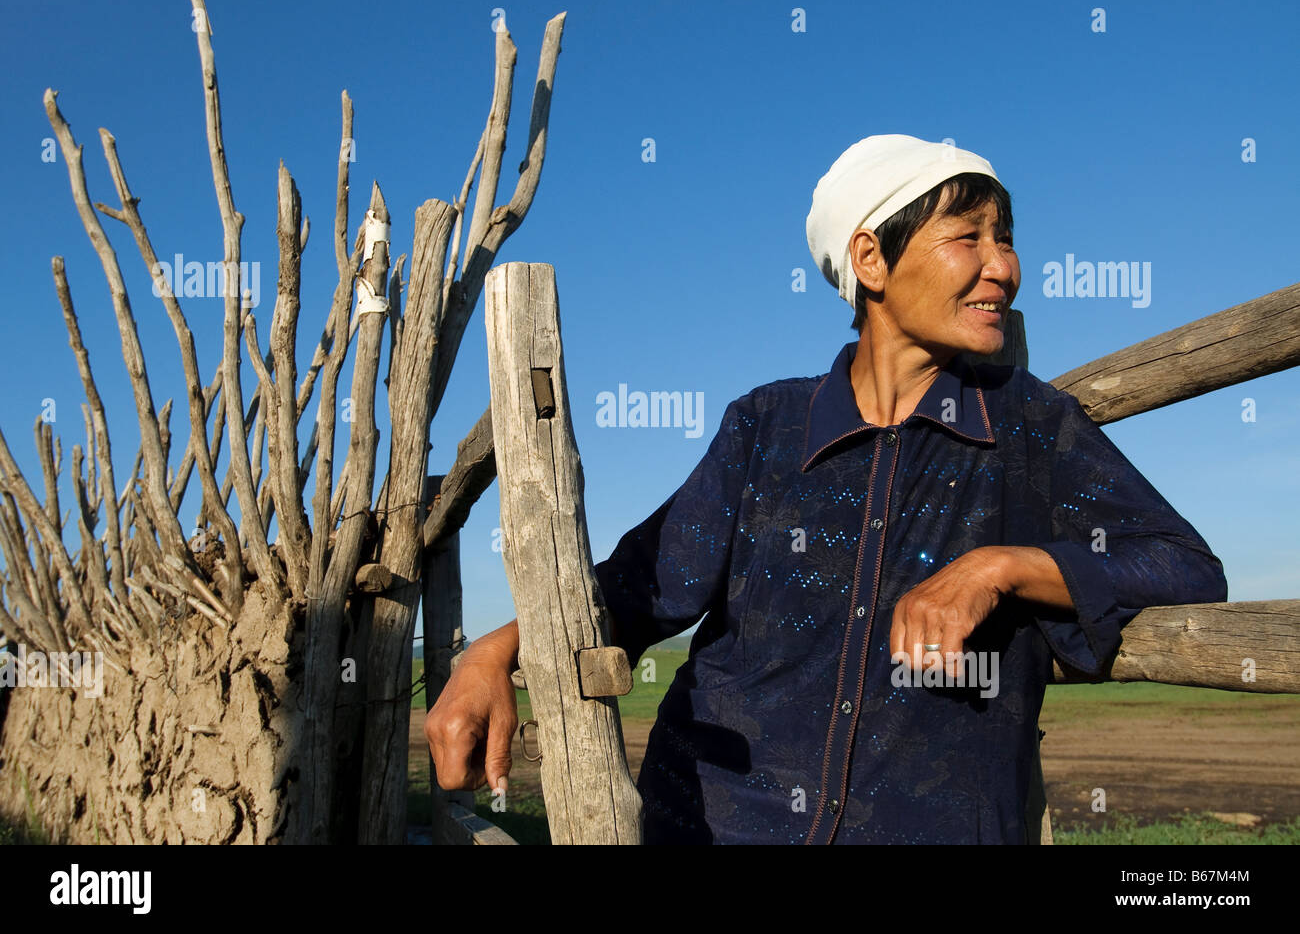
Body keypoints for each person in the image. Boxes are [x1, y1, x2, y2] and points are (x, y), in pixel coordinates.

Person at [425, 134, 1229, 843]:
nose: (1005, 267)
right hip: (710, 823)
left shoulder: (1029, 426)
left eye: (1007, 239)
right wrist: (492, 653)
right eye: (969, 237)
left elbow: (1186, 566)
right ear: (872, 258)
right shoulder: (767, 426)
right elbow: (640, 587)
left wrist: (1000, 566)